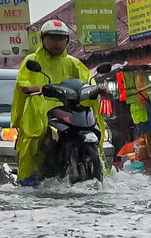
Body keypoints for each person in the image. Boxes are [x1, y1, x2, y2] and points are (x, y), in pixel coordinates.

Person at [10, 19, 105, 186]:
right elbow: (23, 84)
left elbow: (87, 80)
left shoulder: (73, 62)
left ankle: (100, 169)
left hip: (69, 110)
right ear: (43, 39)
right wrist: (39, 88)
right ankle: (27, 180)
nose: (57, 43)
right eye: (53, 38)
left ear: (67, 41)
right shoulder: (32, 60)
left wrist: (97, 89)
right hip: (40, 110)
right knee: (32, 142)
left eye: (61, 39)